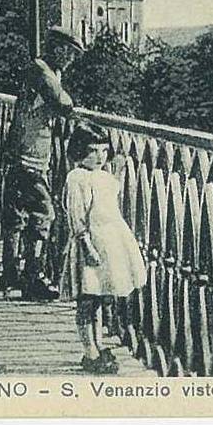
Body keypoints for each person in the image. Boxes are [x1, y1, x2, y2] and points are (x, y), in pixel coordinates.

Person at [0, 27, 84, 300]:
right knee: (43, 213)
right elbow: (62, 102)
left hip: (23, 153)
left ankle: (11, 272)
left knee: (17, 214)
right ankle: (32, 276)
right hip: (30, 155)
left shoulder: (40, 70)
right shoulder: (41, 70)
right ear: (57, 48)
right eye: (70, 52)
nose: (71, 59)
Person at [62, 122, 147, 374]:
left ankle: (98, 347)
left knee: (99, 299)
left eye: (103, 150)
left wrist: (118, 168)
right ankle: (89, 351)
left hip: (110, 241)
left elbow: (109, 200)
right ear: (79, 151)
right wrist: (86, 245)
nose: (99, 156)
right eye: (92, 151)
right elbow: (77, 216)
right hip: (91, 244)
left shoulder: (103, 176)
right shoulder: (76, 178)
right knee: (87, 301)